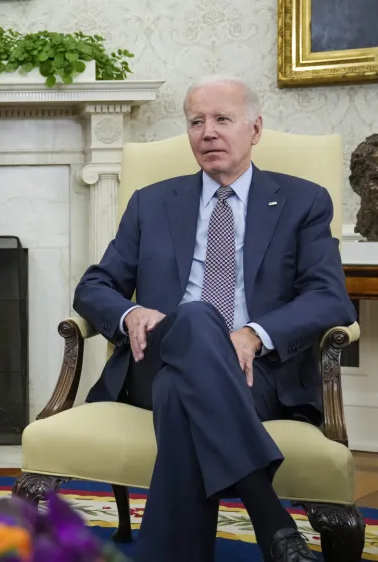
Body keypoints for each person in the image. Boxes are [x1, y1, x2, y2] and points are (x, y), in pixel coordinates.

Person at [73, 74, 356, 562]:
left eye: (223, 119)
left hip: (259, 371)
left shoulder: (302, 200)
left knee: (180, 392)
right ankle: (274, 524)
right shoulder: (152, 202)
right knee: (197, 317)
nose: (208, 132)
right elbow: (94, 287)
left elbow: (330, 298)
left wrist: (252, 334)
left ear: (255, 130)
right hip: (154, 358)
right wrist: (132, 311)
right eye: (196, 122)